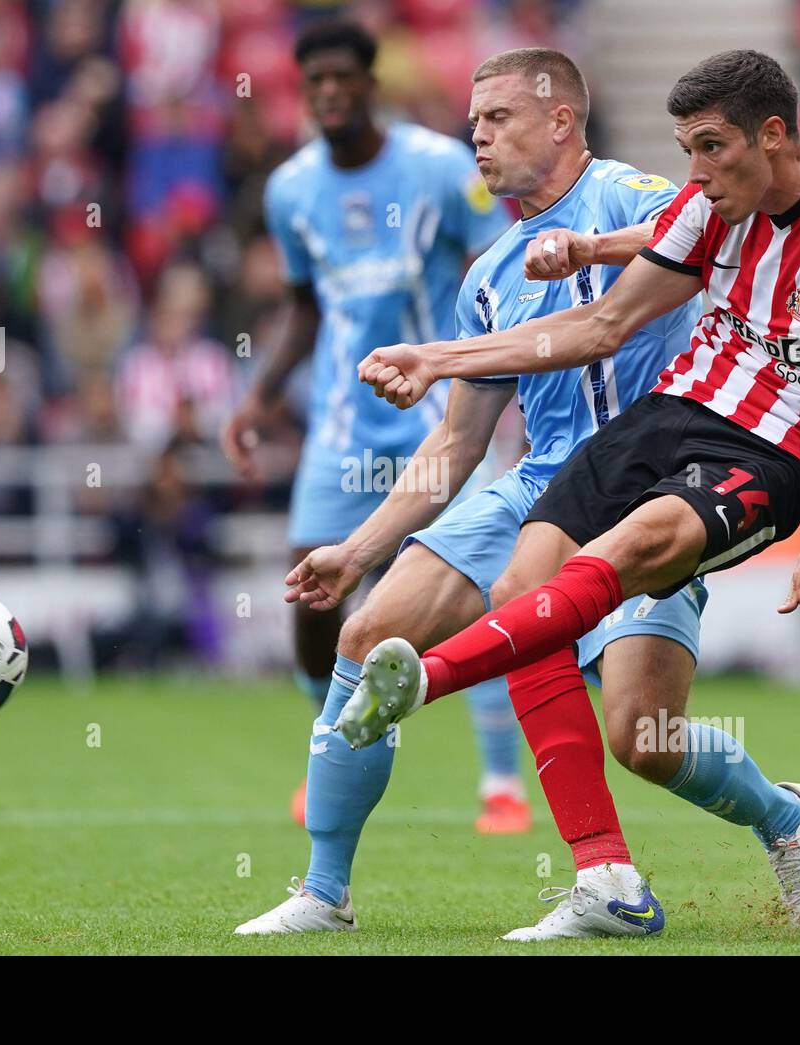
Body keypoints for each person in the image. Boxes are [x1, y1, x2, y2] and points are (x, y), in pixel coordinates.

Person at [345, 49, 800, 936]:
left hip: (778, 452)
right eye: (686, 148)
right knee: (546, 611)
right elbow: (600, 323)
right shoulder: (711, 201)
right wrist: (436, 359)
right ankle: (609, 882)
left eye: (711, 149)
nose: (693, 174)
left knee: (636, 562)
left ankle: (429, 678)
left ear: (772, 135)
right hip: (676, 413)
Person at [236, 46, 704, 939]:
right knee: (369, 634)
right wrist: (355, 550)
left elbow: (701, 227)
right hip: (536, 485)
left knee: (648, 741)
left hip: (654, 489)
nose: (477, 138)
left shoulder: (626, 198)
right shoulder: (489, 275)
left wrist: (592, 248)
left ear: (561, 119)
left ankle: (784, 817)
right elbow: (454, 447)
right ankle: (325, 890)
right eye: (473, 122)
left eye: (498, 120)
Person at [218, 21, 522, 831]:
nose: (328, 93)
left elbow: (501, 271)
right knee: (313, 605)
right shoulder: (290, 190)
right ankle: (330, 751)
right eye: (313, 81)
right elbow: (306, 308)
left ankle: (502, 786)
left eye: (342, 78)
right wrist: (258, 398)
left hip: (437, 422)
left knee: (477, 594)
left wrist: (508, 382)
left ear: (369, 81)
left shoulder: (441, 169)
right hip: (338, 433)